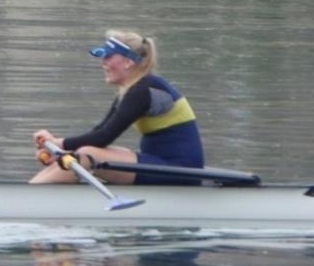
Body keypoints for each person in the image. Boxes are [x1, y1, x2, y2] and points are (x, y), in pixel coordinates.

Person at [31, 30, 204, 185]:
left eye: (108, 57)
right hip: (159, 162)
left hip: (180, 170)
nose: (103, 63)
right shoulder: (133, 89)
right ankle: (34, 189)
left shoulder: (143, 91)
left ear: (128, 61)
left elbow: (104, 137)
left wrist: (57, 143)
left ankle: (31, 198)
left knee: (86, 155)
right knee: (80, 153)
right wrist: (61, 149)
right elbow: (99, 131)